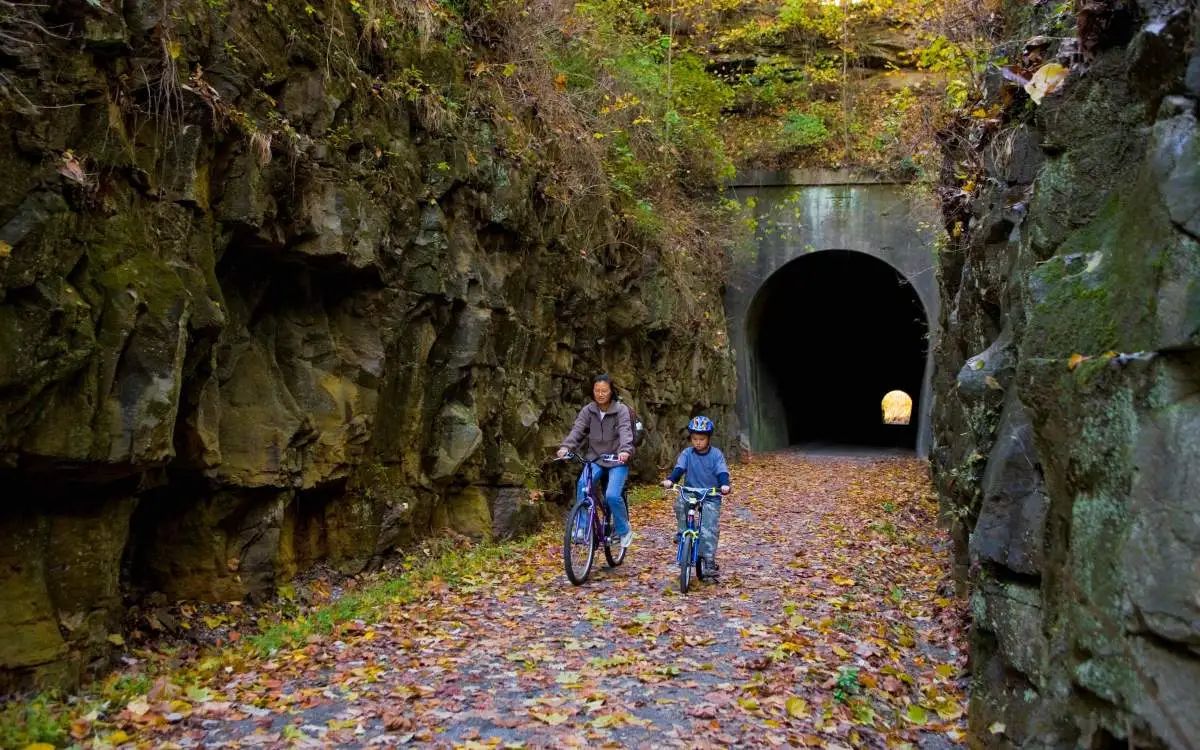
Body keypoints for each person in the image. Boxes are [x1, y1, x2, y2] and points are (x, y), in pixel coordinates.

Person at [557, 374, 636, 548]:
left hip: (617, 460)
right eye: (597, 390)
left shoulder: (620, 410)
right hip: (596, 458)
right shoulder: (588, 410)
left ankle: (624, 531)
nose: (600, 394)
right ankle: (582, 528)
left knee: (612, 495)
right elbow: (577, 430)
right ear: (592, 391)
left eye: (604, 391)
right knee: (583, 486)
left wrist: (624, 451)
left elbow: (625, 432)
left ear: (611, 391)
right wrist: (566, 447)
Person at [661, 415, 731, 574]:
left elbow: (722, 472)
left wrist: (724, 485)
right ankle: (682, 533)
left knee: (709, 526)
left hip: (710, 494)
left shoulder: (716, 455)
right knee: (680, 504)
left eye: (701, 438)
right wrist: (671, 480)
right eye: (694, 438)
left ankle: (708, 560)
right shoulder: (687, 454)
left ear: (708, 438)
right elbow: (679, 469)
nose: (698, 442)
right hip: (691, 492)